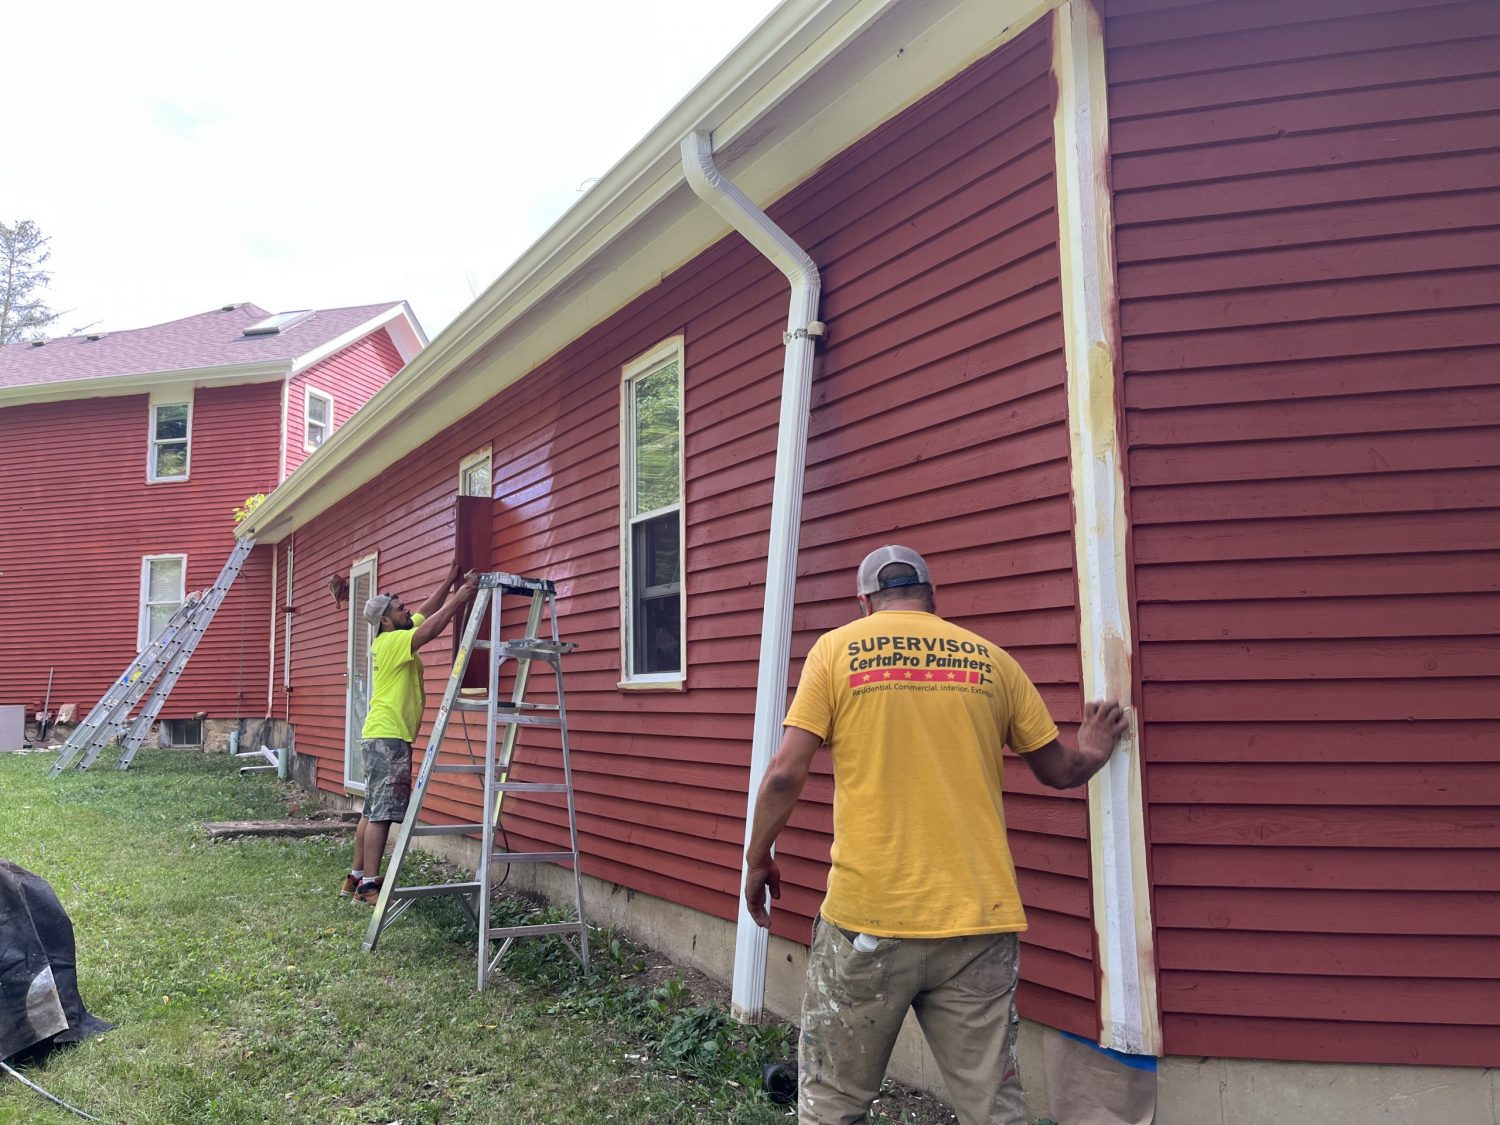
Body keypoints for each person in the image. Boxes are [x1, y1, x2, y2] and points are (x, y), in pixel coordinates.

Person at [744, 545, 1129, 1125]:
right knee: (993, 1108)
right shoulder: (992, 661)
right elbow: (1059, 772)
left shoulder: (837, 651)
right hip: (978, 923)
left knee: (832, 1103)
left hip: (869, 923)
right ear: (932, 597)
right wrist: (1096, 747)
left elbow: (782, 775)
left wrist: (757, 860)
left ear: (864, 601)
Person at [342, 565, 480, 905]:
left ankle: (355, 878)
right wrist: (461, 598)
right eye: (399, 609)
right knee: (383, 814)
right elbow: (430, 629)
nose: (407, 611)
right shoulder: (392, 642)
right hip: (388, 738)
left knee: (371, 810)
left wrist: (449, 581)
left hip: (379, 735)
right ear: (386, 621)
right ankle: (371, 886)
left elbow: (423, 614)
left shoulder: (391, 633)